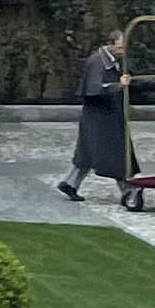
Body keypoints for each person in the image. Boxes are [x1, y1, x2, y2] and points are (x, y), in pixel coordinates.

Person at [59, 32, 129, 202]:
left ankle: (71, 184)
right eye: (120, 46)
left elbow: (125, 82)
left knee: (88, 153)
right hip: (100, 117)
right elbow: (94, 89)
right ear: (111, 44)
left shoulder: (109, 61)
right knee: (113, 153)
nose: (123, 50)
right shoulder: (98, 62)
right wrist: (118, 86)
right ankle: (128, 190)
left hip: (103, 116)